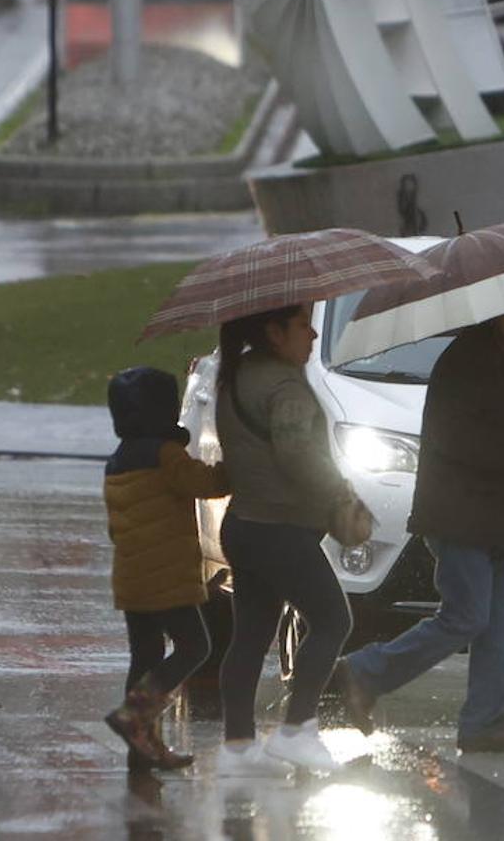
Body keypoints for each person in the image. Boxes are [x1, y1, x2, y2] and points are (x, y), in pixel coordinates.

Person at [331, 308, 504, 754]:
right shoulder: (471, 361)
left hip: (488, 515)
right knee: (467, 616)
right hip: (461, 514)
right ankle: (365, 672)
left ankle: (486, 721)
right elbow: (454, 439)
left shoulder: (496, 355)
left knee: (498, 624)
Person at [213, 304, 357, 775]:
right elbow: (298, 457)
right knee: (334, 619)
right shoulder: (284, 386)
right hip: (279, 529)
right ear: (274, 332)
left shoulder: (239, 373)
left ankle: (237, 746)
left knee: (251, 636)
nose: (313, 334)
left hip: (244, 525)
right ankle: (297, 730)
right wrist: (342, 492)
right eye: (301, 325)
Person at [101, 366, 229, 770]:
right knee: (195, 646)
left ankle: (143, 741)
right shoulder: (165, 454)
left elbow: (114, 527)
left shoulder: (117, 461)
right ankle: (136, 717)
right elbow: (206, 484)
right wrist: (238, 464)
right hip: (166, 581)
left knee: (144, 656)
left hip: (132, 581)